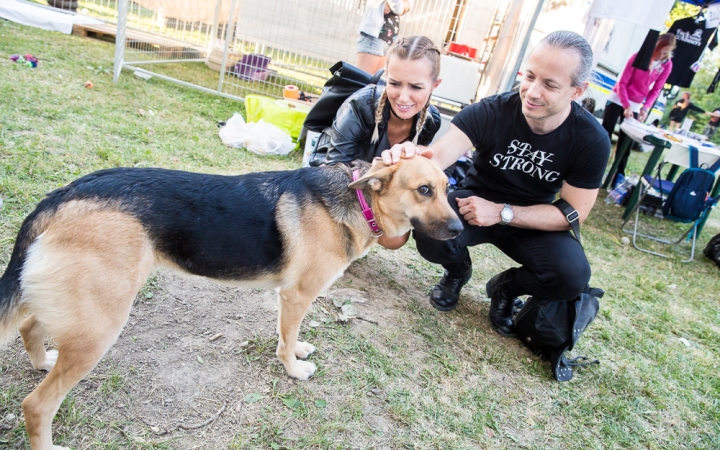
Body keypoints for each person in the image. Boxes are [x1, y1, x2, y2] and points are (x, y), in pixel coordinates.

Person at [380, 30, 610, 338]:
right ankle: (457, 271)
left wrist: (503, 212)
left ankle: (506, 289)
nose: (532, 91)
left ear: (577, 90)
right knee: (432, 230)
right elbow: (437, 157)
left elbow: (573, 213)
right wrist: (410, 157)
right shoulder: (491, 111)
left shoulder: (591, 139)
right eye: (529, 76)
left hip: (532, 219)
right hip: (473, 203)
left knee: (572, 276)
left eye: (549, 84)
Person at [309, 35, 442, 249]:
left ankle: (358, 234)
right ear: (385, 77)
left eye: (416, 87)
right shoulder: (359, 106)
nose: (404, 97)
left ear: (435, 85)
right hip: (337, 176)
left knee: (395, 238)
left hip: (378, 184)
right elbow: (334, 172)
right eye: (395, 83)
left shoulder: (431, 121)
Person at [601, 33, 675, 185]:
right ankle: (596, 168)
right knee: (604, 135)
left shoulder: (666, 65)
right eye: (659, 51)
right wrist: (625, 105)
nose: (661, 55)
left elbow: (656, 89)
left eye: (665, 53)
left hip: (636, 103)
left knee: (625, 142)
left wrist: (645, 108)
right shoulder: (638, 57)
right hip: (617, 98)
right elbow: (622, 83)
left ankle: (618, 177)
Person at [356, 0, 412, 75]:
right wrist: (401, 5)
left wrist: (401, 4)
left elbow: (409, 4)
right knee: (361, 81)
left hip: (387, 40)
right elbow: (398, 8)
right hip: (374, 37)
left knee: (373, 83)